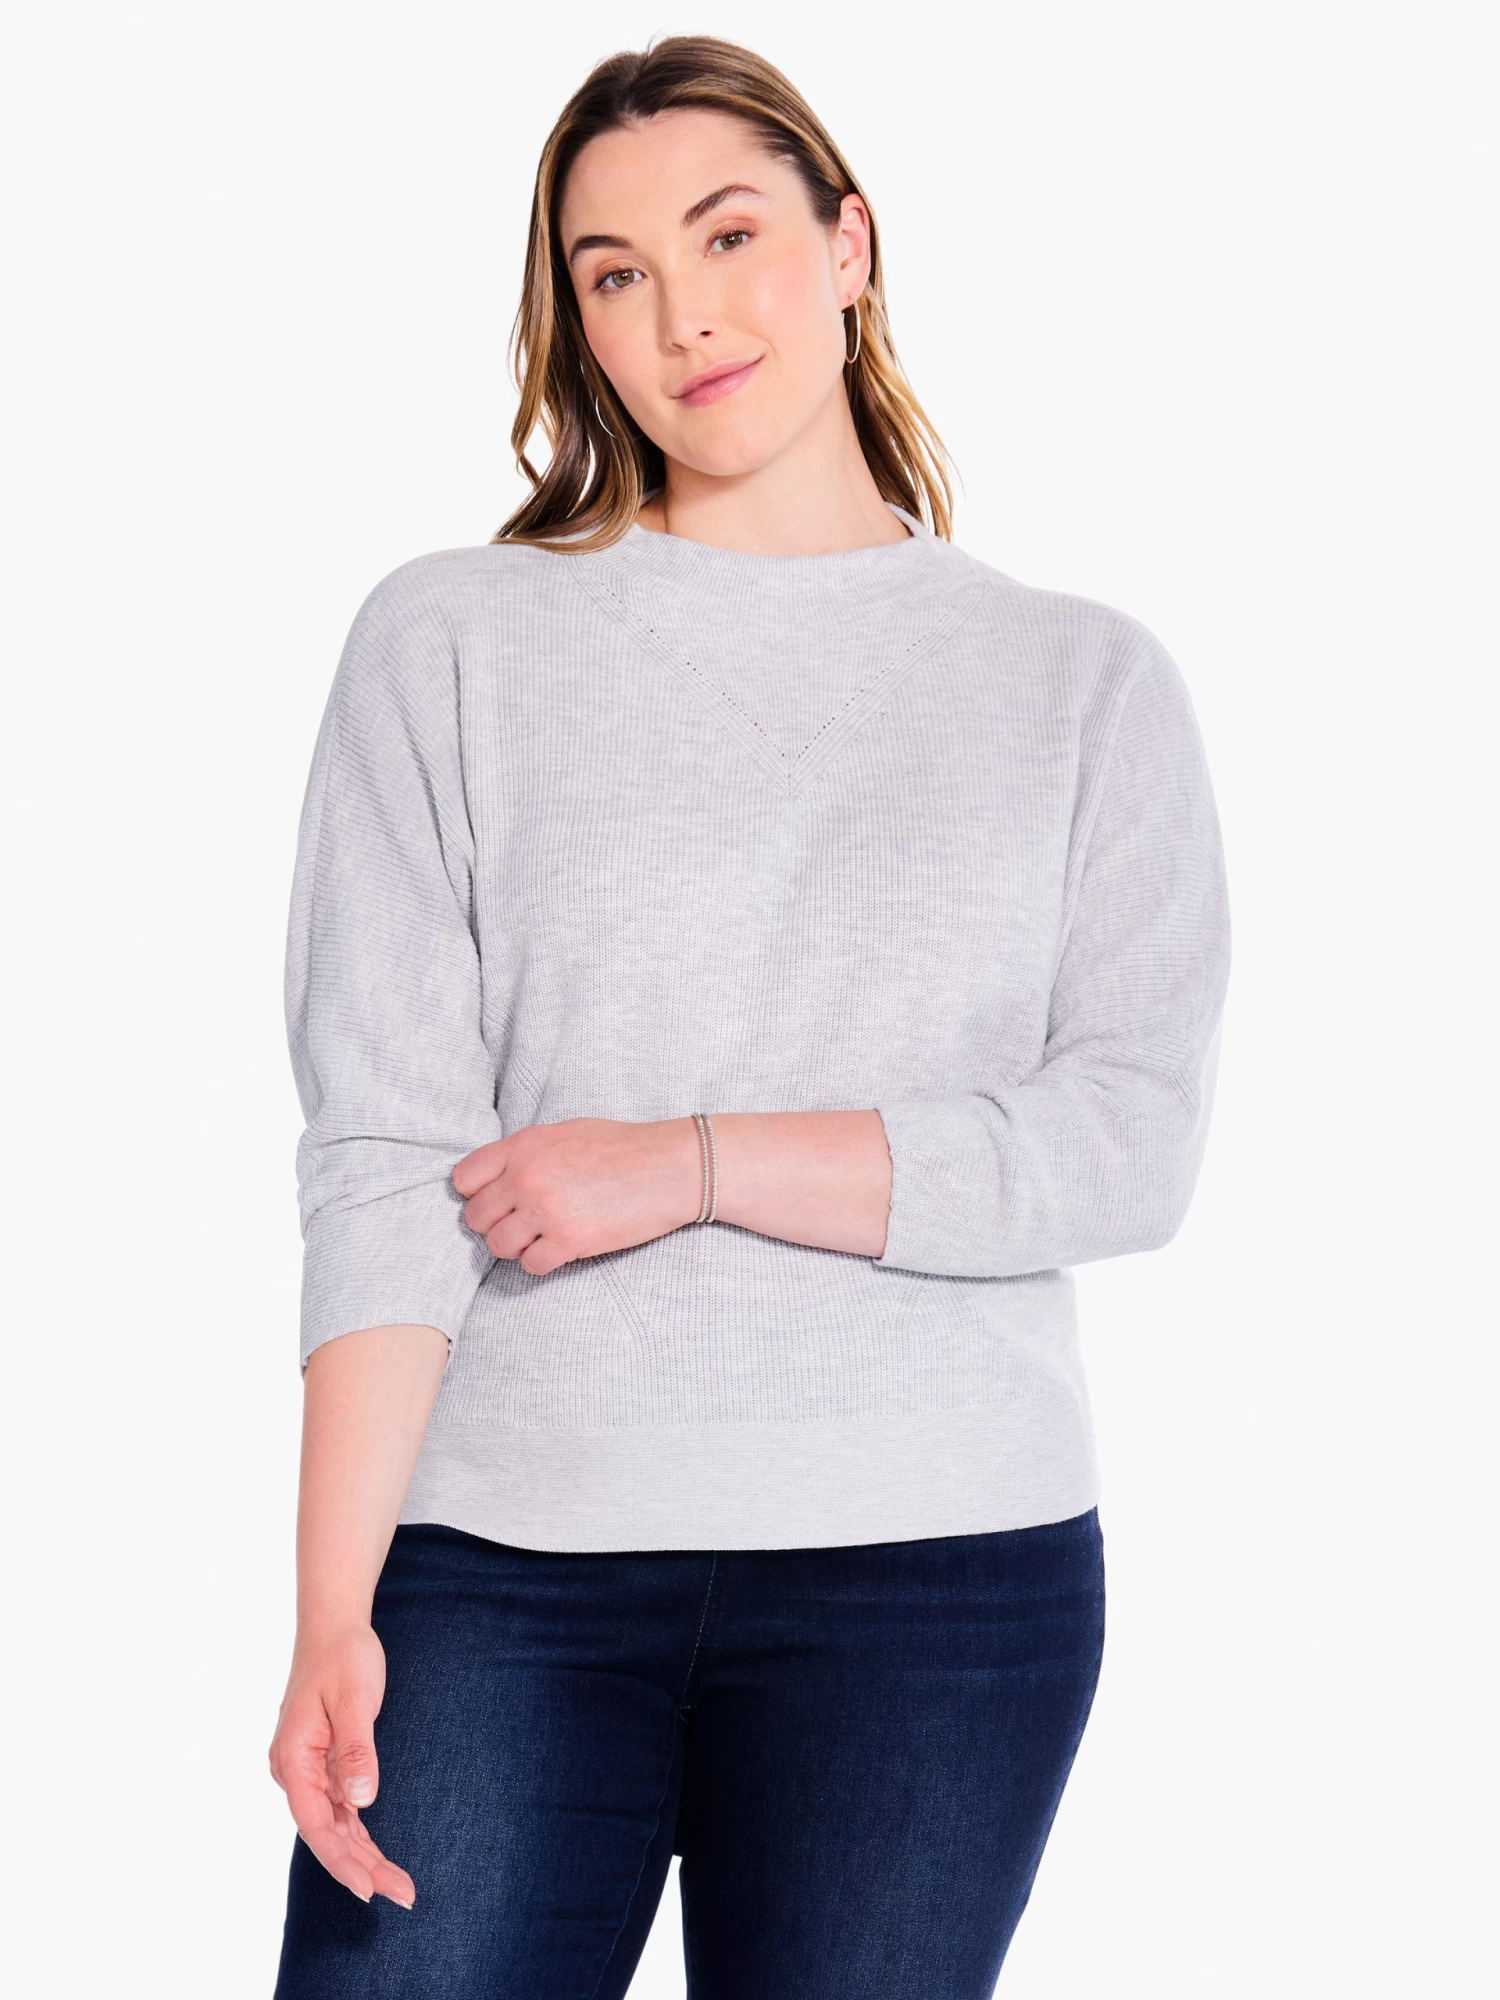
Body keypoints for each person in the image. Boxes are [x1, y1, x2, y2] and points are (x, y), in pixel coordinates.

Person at [268, 33, 1231, 1999]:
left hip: (943, 1574)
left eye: (728, 238)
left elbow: (1126, 1145)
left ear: (851, 245)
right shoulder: (452, 640)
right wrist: (330, 1606)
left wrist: (692, 1166)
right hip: (507, 1566)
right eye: (614, 273)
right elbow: (379, 1151)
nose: (683, 315)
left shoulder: (1082, 683)